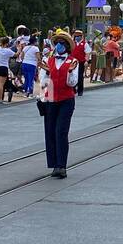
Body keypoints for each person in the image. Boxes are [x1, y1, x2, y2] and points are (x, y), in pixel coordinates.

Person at [38, 29, 78, 178]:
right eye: (57, 43)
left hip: (66, 100)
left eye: (62, 43)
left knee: (61, 131)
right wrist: (42, 98)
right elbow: (43, 82)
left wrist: (69, 72)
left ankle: (62, 166)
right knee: (50, 132)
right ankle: (54, 164)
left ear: (67, 46)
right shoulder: (47, 61)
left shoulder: (72, 61)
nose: (59, 45)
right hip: (51, 99)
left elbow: (71, 83)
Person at [72, 30, 88, 95]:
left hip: (81, 62)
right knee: (72, 76)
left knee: (80, 76)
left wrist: (86, 61)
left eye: (78, 36)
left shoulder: (85, 44)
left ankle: (80, 90)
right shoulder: (72, 43)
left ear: (81, 37)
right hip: (73, 62)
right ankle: (73, 89)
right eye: (76, 36)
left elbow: (87, 53)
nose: (76, 37)